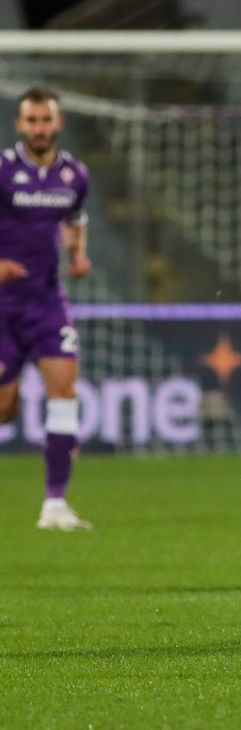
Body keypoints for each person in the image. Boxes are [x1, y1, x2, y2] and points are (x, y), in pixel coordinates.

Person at [0, 87, 92, 530]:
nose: (38, 128)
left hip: (47, 303)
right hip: (2, 308)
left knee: (64, 394)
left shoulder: (74, 175)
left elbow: (75, 218)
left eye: (45, 120)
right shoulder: (1, 171)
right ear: (19, 125)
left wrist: (77, 254)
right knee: (3, 409)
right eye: (31, 120)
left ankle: (55, 504)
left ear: (58, 124)